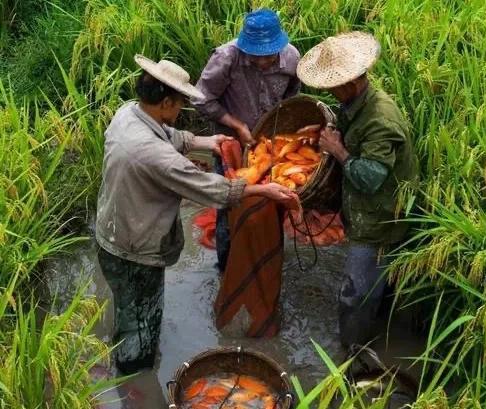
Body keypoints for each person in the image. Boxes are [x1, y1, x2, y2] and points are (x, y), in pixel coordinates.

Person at [95, 54, 294, 374]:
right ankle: (136, 378)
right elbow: (210, 189)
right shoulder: (157, 157)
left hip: (112, 231)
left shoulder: (128, 115)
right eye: (179, 104)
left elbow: (168, 136)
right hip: (134, 250)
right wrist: (262, 191)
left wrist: (207, 141)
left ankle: (127, 354)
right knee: (142, 324)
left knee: (127, 309)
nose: (180, 111)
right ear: (165, 103)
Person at [296, 32, 418, 347]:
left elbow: (370, 179)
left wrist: (338, 151)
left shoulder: (380, 119)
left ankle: (351, 354)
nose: (329, 91)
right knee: (379, 282)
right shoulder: (354, 104)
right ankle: (377, 322)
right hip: (365, 210)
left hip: (379, 218)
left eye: (332, 86)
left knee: (355, 294)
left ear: (351, 82)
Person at [193, 8, 301, 273]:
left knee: (274, 198)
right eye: (256, 55)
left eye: (268, 56)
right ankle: (227, 265)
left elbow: (291, 98)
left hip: (269, 144)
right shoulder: (226, 58)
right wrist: (237, 125)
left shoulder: (291, 57)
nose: (262, 62)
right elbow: (200, 98)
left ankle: (266, 256)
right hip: (230, 143)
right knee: (228, 203)